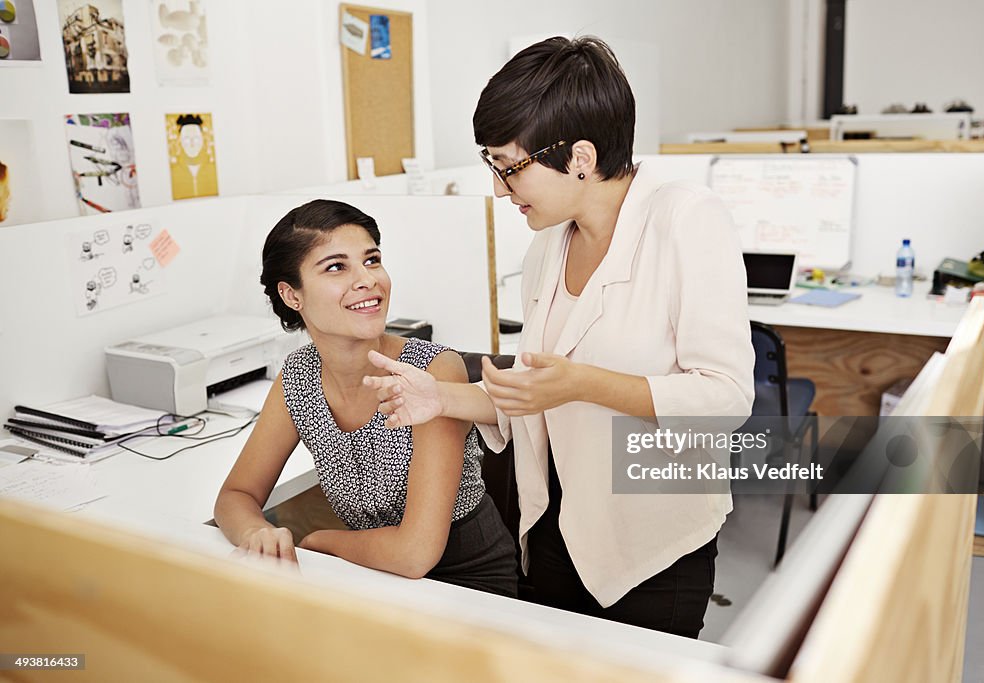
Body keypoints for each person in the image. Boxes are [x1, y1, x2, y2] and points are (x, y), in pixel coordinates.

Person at [365, 37, 754, 638]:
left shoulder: (686, 220)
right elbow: (530, 394)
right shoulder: (549, 243)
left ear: (579, 157)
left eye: (509, 167)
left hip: (653, 543)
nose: (499, 189)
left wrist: (582, 384)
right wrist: (441, 400)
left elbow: (726, 398)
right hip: (555, 527)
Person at [214, 199, 518, 597]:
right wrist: (256, 531)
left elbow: (415, 555)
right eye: (337, 267)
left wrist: (320, 542)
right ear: (291, 295)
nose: (367, 279)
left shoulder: (432, 371)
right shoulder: (298, 377)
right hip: (371, 574)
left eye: (372, 260)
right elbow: (236, 495)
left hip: (466, 582)